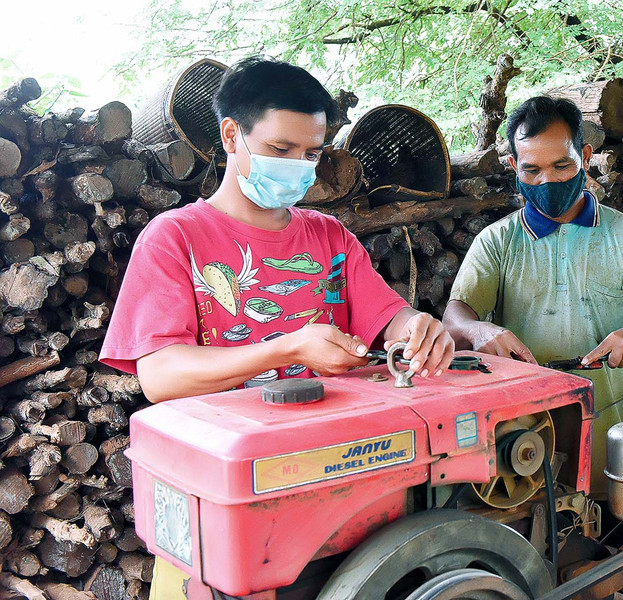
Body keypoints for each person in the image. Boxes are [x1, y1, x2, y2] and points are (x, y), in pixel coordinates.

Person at [100, 57, 454, 600]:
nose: (298, 167)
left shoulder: (329, 237)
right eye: (280, 151)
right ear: (230, 135)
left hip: (336, 487)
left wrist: (417, 327)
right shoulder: (174, 238)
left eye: (312, 154)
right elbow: (161, 376)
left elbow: (389, 319)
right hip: (225, 506)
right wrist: (286, 347)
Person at [443, 96, 623, 504]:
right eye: (531, 170)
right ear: (512, 168)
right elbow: (454, 316)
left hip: (610, 447)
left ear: (585, 157)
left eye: (561, 166)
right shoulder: (497, 242)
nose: (546, 182)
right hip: (519, 445)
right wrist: (479, 329)